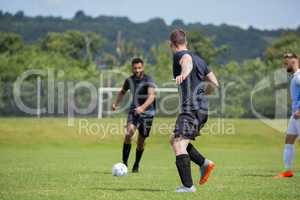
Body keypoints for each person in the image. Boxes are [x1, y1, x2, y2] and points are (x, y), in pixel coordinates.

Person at [169, 29, 219, 192]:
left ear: (172, 45)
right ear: (186, 42)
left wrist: (184, 73)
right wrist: (201, 93)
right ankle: (204, 163)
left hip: (190, 109)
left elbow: (186, 60)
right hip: (202, 110)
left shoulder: (180, 55)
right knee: (175, 139)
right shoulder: (201, 60)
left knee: (178, 144)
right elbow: (214, 84)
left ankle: (187, 186)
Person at [112, 58, 156, 173]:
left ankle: (136, 164)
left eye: (139, 68)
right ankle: (124, 164)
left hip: (148, 113)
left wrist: (142, 108)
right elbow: (122, 91)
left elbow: (152, 96)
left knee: (141, 142)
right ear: (132, 68)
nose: (137, 70)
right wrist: (115, 103)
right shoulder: (129, 80)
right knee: (129, 133)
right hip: (134, 111)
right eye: (135, 68)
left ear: (143, 67)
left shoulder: (148, 80)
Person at [274, 53, 300, 179]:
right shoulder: (295, 77)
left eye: (286, 63)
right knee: (289, 140)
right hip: (295, 116)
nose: (285, 66)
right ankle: (287, 171)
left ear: (294, 61)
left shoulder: (299, 76)